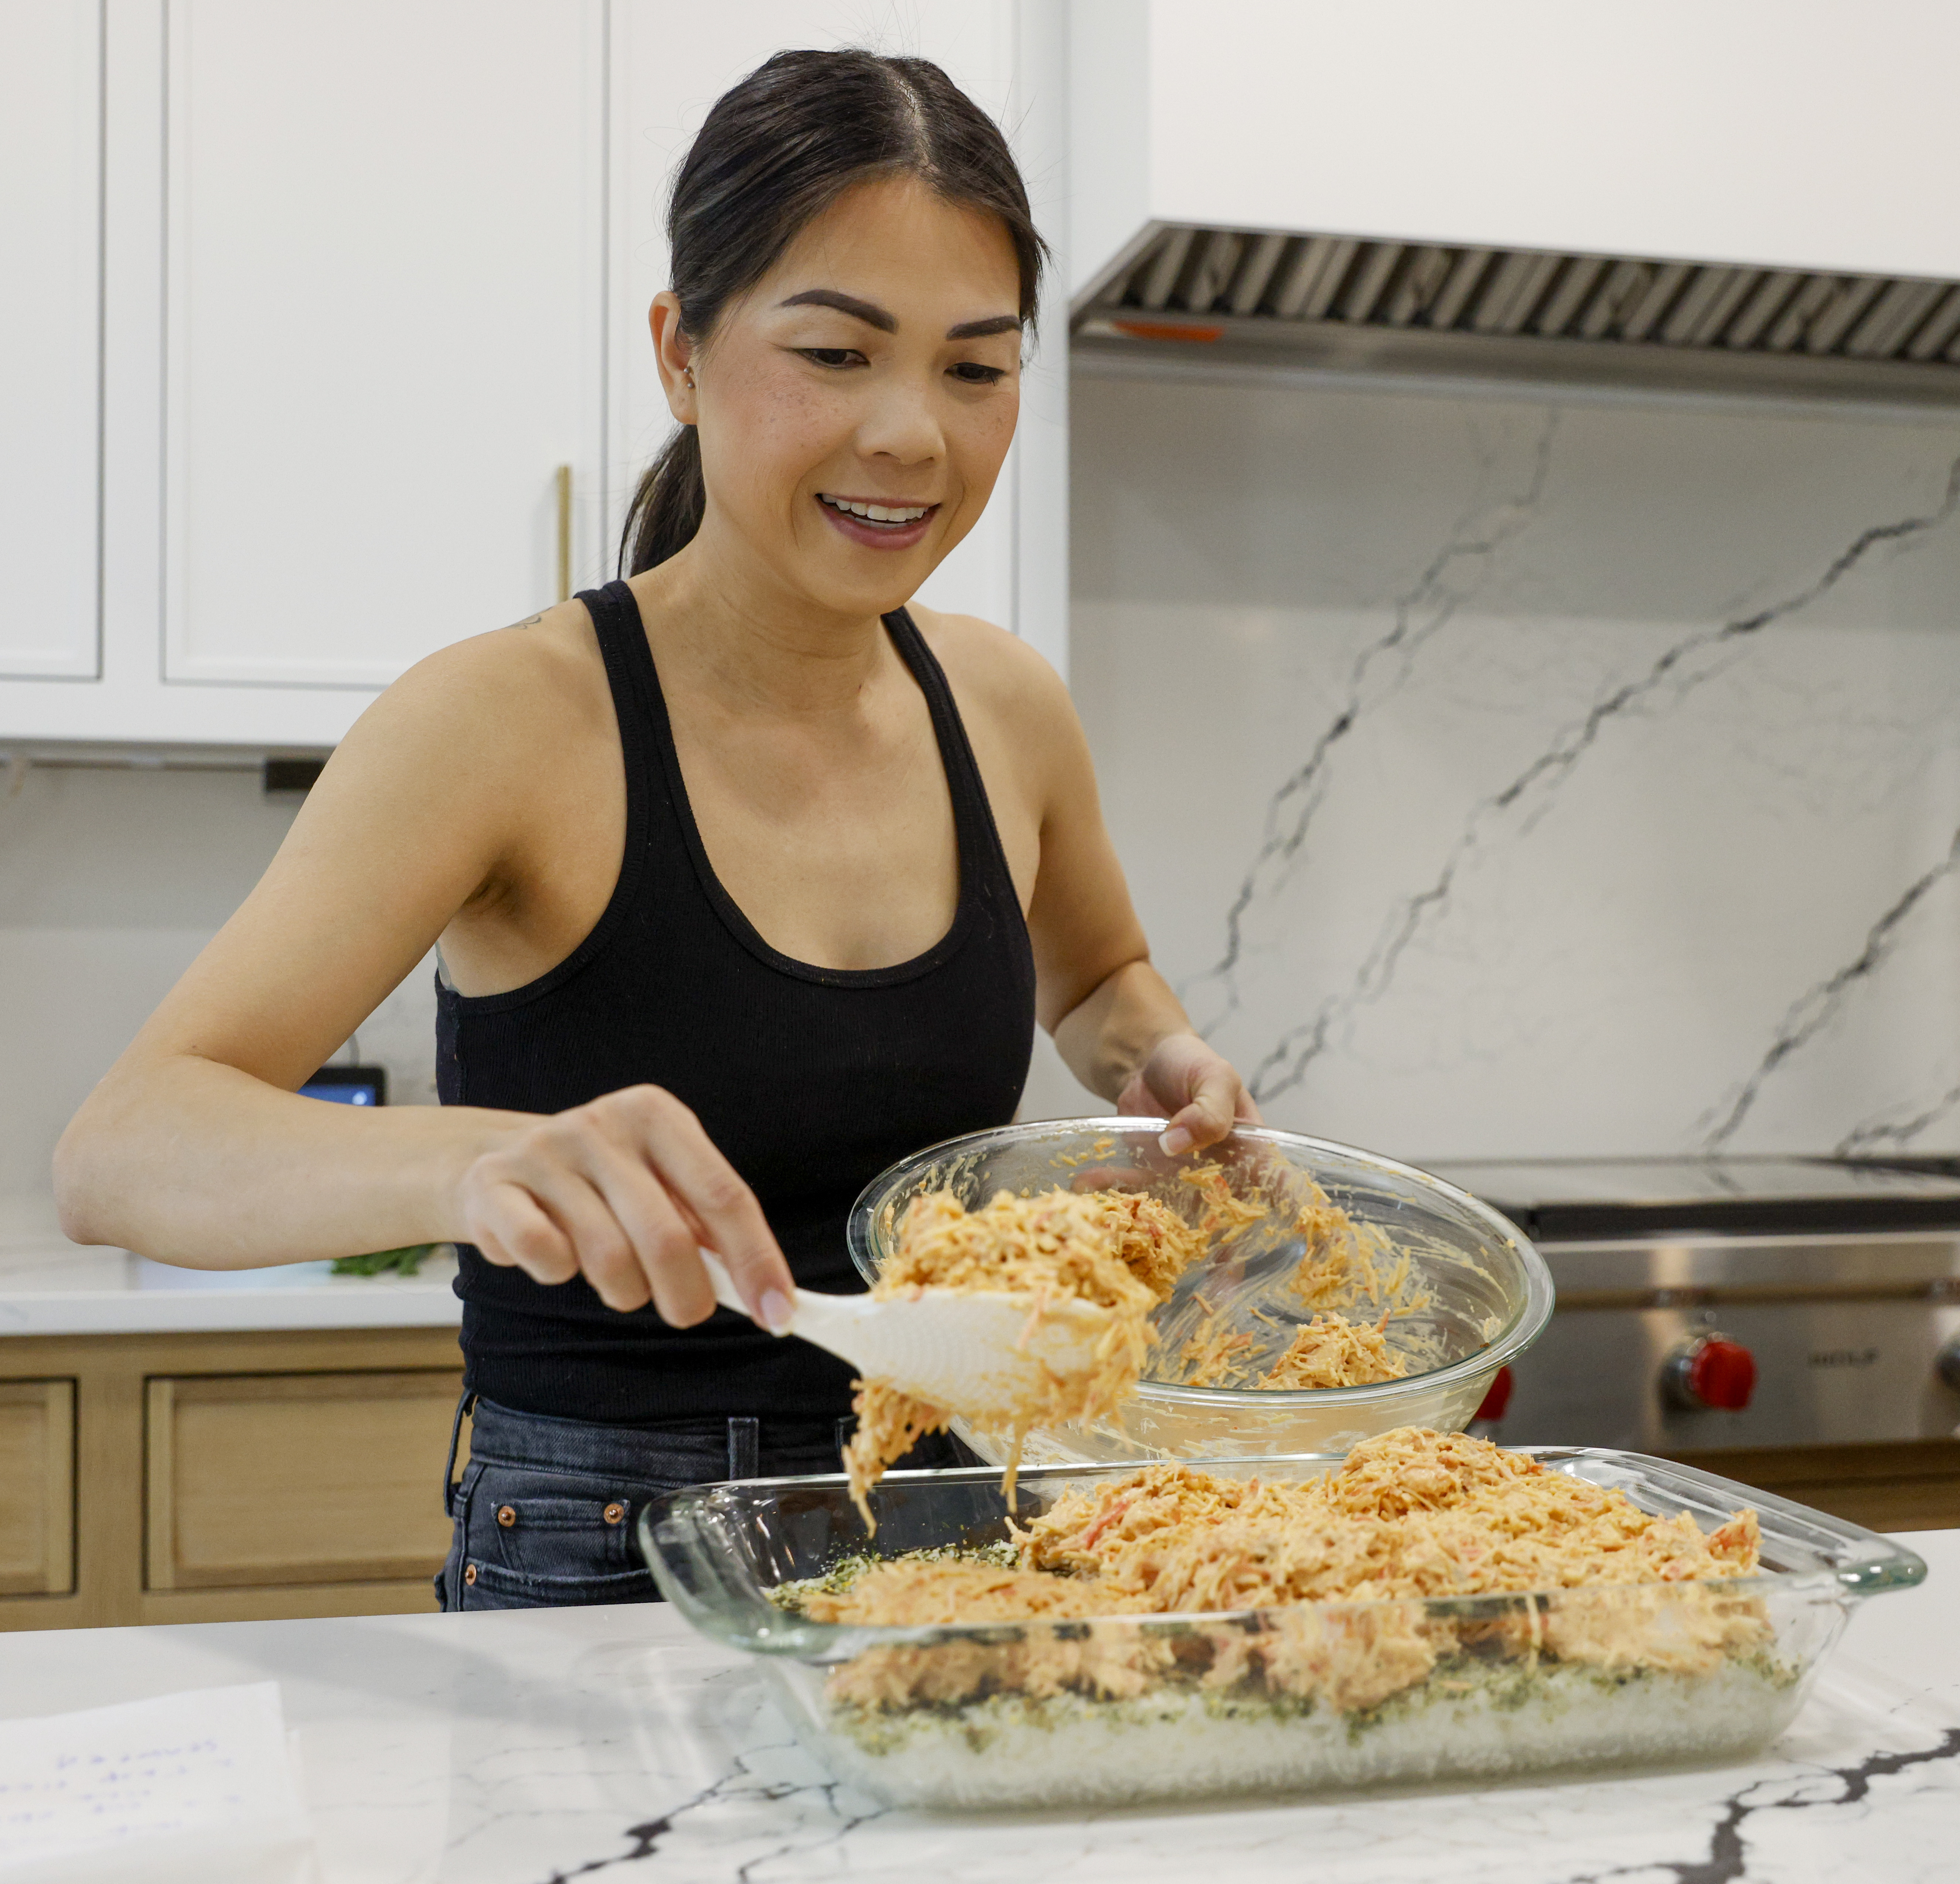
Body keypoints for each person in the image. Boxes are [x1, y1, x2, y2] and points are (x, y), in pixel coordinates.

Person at [53, 48, 1259, 1609]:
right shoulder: (505, 719)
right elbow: (123, 1149)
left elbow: (1096, 983)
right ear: (680, 353)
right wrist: (477, 1166)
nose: (912, 435)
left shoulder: (1004, 704)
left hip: (958, 1519)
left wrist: (1153, 1063)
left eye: (976, 368)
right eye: (834, 353)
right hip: (600, 1538)